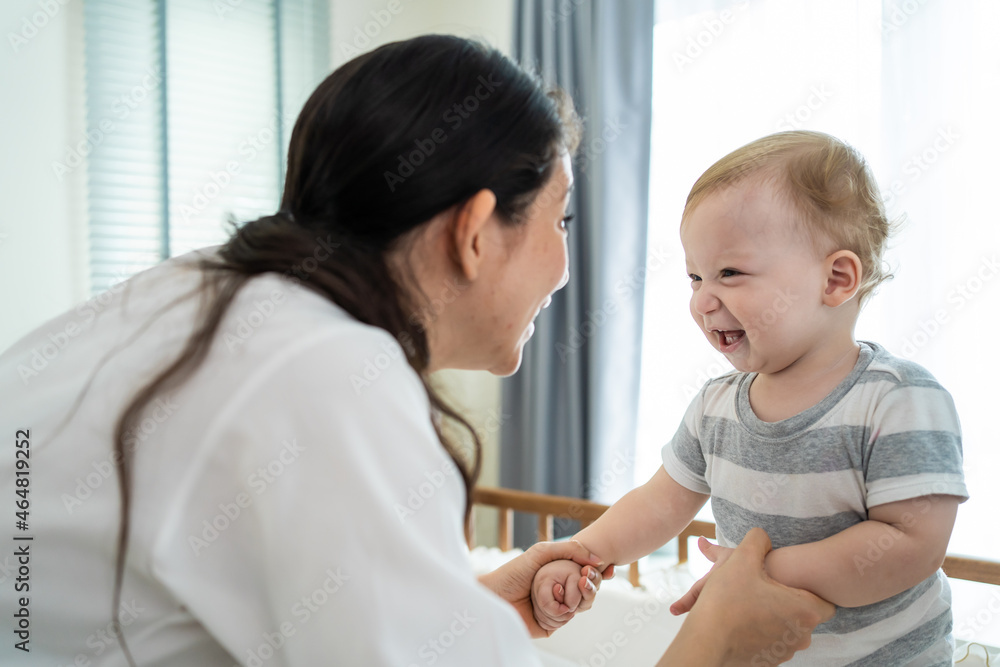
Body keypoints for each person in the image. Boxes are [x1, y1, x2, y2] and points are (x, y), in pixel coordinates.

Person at [0, 36, 831, 665]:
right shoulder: (323, 381)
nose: (567, 266)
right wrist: (715, 645)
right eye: (560, 221)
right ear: (473, 232)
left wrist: (459, 606)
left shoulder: (199, 297)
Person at [531, 131, 969, 665]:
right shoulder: (715, 407)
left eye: (730, 274)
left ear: (835, 279)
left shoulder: (898, 401)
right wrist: (585, 554)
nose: (702, 299)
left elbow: (911, 546)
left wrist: (754, 574)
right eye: (695, 277)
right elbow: (657, 504)